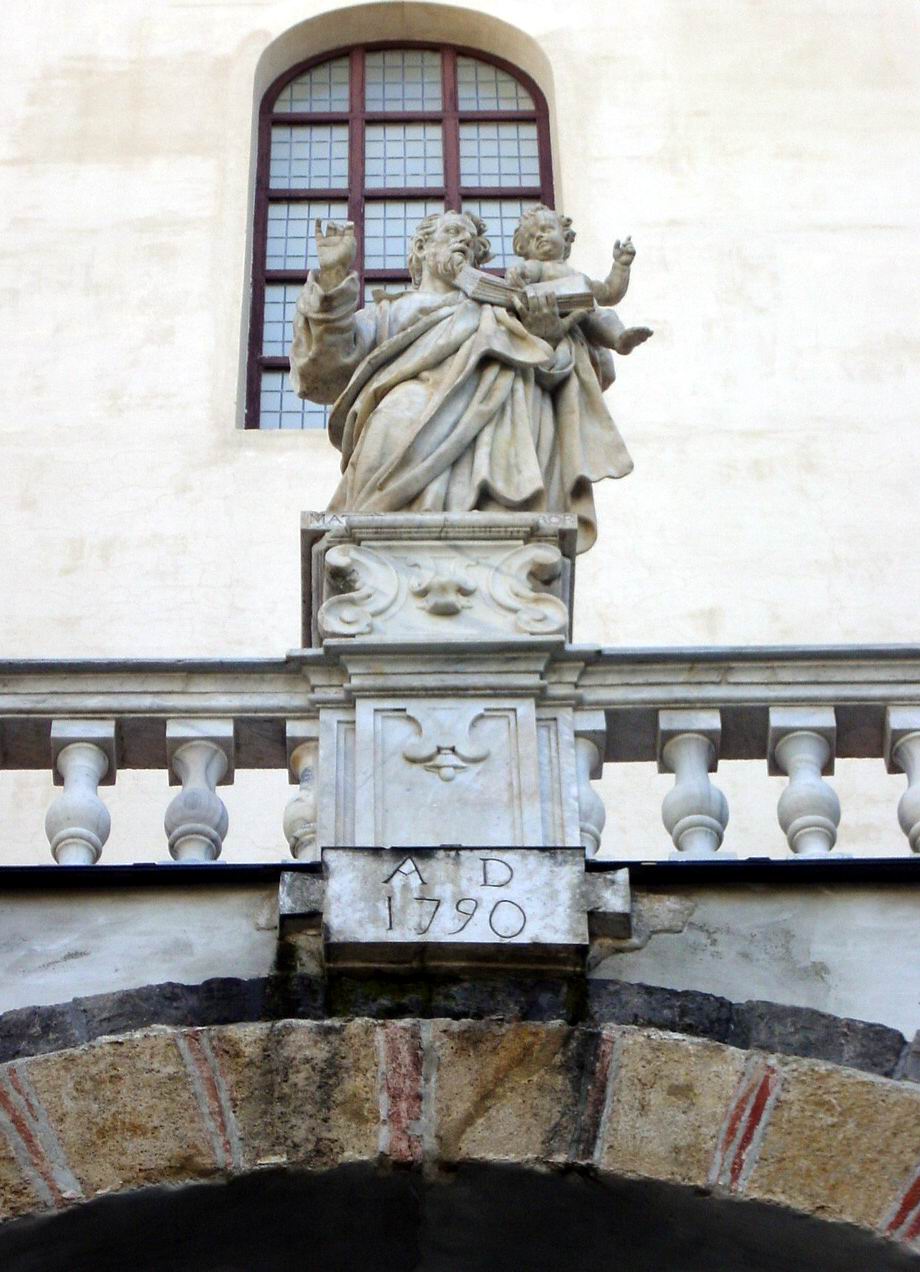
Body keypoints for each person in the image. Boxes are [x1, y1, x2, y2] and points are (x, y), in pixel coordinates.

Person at [290, 209, 642, 553]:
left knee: (509, 392)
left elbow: (555, 371)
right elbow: (327, 366)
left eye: (471, 243)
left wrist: (545, 337)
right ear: (422, 250)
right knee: (399, 413)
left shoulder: (497, 310)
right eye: (452, 233)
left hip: (491, 430)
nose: (464, 243)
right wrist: (334, 275)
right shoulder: (388, 312)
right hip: (404, 416)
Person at [506, 204, 653, 356]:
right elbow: (523, 273)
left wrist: (621, 265)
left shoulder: (579, 277)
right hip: (553, 314)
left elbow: (609, 293)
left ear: (565, 236)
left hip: (584, 316)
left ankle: (619, 339)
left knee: (605, 314)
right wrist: (515, 272)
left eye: (546, 229)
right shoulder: (537, 266)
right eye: (530, 237)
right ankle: (617, 339)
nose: (539, 236)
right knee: (593, 313)